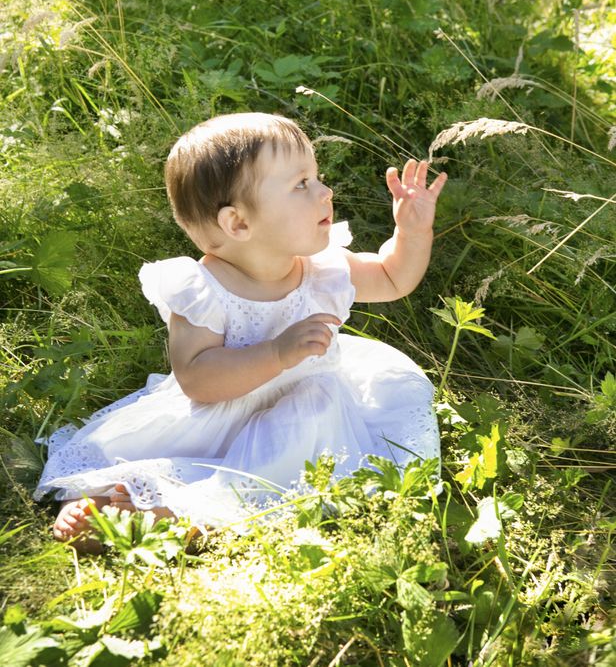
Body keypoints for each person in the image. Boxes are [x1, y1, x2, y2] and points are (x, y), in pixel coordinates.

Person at [35, 112, 447, 547]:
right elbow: (197, 379)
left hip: (306, 408)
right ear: (239, 224)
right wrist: (276, 353)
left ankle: (170, 514)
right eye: (301, 184)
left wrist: (412, 232)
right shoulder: (204, 291)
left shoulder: (323, 269)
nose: (326, 191)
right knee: (135, 457)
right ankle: (97, 505)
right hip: (220, 413)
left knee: (291, 441)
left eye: (316, 177)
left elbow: (391, 277)